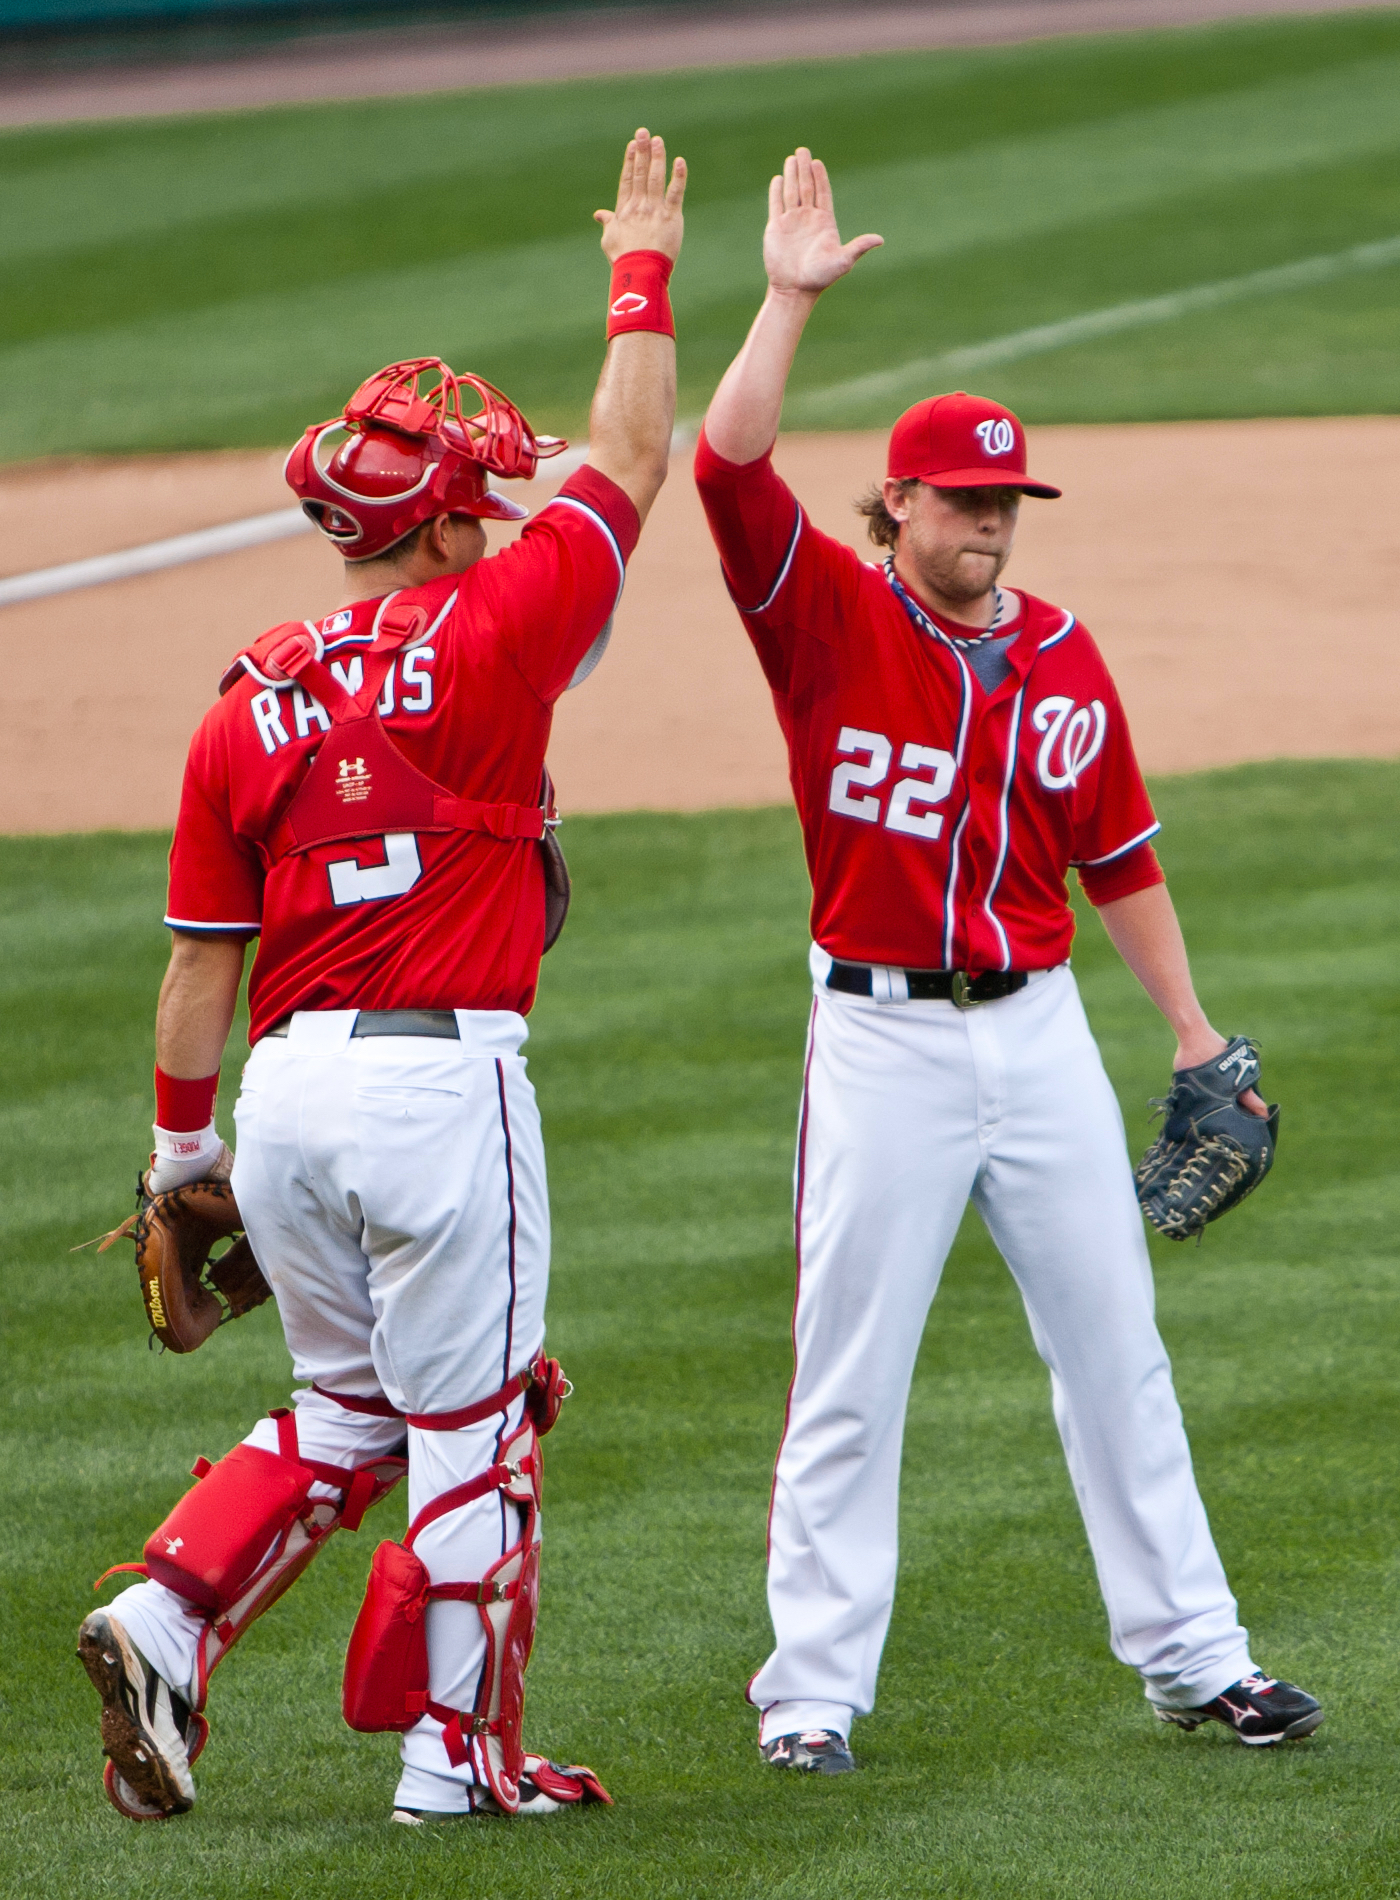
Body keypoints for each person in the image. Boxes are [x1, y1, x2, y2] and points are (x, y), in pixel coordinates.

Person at [78, 128, 686, 1825]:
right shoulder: (491, 637)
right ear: (435, 532)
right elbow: (632, 451)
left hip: (282, 1102)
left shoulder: (239, 705)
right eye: (475, 508)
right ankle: (459, 1765)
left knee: (344, 1412)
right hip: (438, 1091)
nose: (497, 520)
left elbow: (202, 969)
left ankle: (164, 1618)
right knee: (480, 1426)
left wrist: (182, 1169)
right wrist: (639, 268)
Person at [694, 147, 1322, 1774]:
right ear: (894, 502)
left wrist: (1190, 1031)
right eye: (962, 498)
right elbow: (726, 466)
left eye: (1006, 500)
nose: (988, 521)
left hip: (1035, 1037)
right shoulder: (820, 618)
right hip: (883, 1047)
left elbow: (1118, 854)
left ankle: (1199, 1661)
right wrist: (782, 302)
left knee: (1119, 1353)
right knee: (850, 1371)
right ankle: (812, 1694)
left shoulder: (1060, 654)